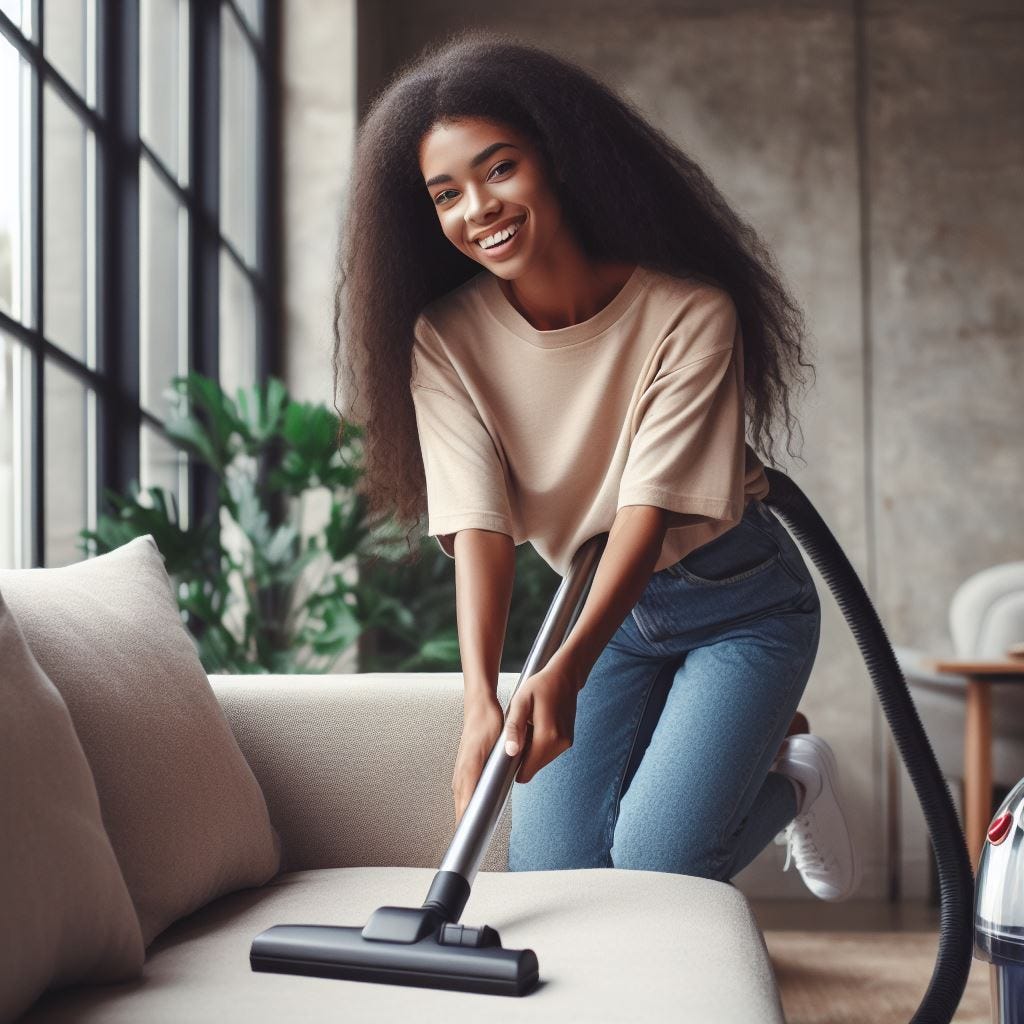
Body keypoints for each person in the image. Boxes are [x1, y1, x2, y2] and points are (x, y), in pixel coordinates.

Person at [332, 28, 860, 901]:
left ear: (557, 161)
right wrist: (479, 700)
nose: (479, 209)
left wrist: (567, 669)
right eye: (446, 193)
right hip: (593, 602)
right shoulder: (445, 338)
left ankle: (793, 778)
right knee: (556, 875)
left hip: (738, 600)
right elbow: (482, 525)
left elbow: (646, 517)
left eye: (500, 169)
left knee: (659, 868)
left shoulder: (689, 313)